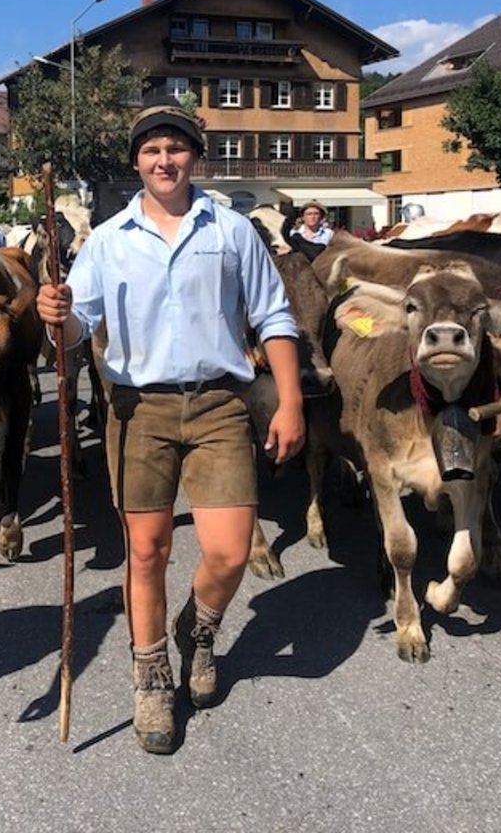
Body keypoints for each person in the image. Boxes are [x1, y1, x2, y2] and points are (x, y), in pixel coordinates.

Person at [36, 102, 304, 754]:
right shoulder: (107, 241)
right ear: (137, 162)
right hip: (140, 409)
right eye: (152, 150)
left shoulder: (233, 231)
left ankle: (198, 631)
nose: (165, 160)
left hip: (220, 404)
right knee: (147, 551)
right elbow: (75, 333)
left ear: (194, 157)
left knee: (230, 551)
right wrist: (56, 316)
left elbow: (273, 316)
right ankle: (151, 674)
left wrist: (291, 400)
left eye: (176, 148)